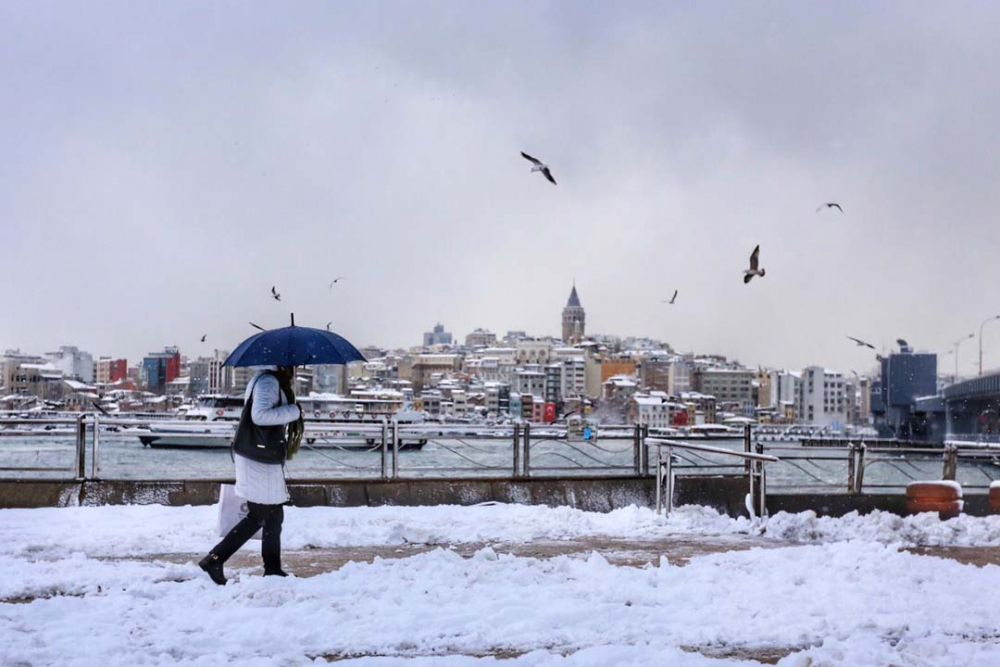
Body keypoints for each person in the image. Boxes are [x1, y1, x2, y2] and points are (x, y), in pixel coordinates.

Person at [199, 365, 303, 585]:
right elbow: (260, 416)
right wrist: (294, 411)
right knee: (259, 514)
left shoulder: (268, 380)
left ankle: (273, 568)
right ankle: (214, 559)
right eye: (291, 364)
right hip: (258, 458)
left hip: (262, 456)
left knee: (274, 513)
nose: (294, 368)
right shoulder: (268, 382)